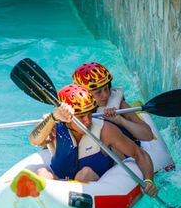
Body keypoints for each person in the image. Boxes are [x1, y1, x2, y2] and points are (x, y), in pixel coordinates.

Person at [12, 84, 159, 198]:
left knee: (85, 173)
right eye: (81, 117)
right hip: (61, 181)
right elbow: (34, 141)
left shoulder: (105, 130)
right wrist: (53, 118)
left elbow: (140, 154)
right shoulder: (55, 127)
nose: (88, 120)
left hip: (91, 184)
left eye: (89, 114)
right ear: (67, 118)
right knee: (42, 173)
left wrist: (148, 181)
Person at [72, 62, 154, 142]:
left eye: (106, 89)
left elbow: (148, 136)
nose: (105, 95)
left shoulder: (119, 105)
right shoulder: (77, 113)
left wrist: (120, 120)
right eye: (98, 92)